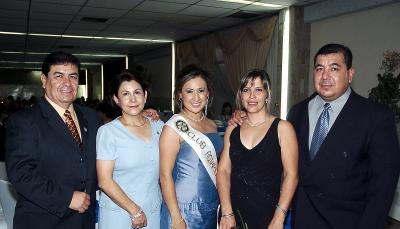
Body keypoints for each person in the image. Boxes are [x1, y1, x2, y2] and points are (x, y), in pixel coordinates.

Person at [287, 43, 400, 229]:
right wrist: (246, 122)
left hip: (347, 222)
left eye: (334, 68)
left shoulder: (375, 117)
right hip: (302, 220)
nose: (325, 76)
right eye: (319, 69)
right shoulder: (297, 112)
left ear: (350, 74)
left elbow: (383, 187)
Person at [6, 51, 100, 228]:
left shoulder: (91, 116)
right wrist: (67, 198)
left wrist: (141, 118)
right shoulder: (24, 121)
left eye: (72, 76)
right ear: (43, 79)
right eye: (58, 76)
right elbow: (21, 174)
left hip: (84, 221)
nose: (67, 83)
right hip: (44, 221)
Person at [217, 69, 298, 229]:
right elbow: (223, 171)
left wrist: (279, 217)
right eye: (246, 90)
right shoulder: (233, 128)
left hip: (268, 216)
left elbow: (292, 175)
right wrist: (227, 212)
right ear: (241, 95)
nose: (252, 96)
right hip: (233, 214)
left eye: (258, 90)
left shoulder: (283, 128)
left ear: (267, 94)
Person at [96, 71, 163, 229]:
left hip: (152, 211)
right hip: (119, 213)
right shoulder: (108, 132)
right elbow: (104, 181)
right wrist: (135, 210)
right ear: (116, 99)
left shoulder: (159, 126)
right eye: (125, 94)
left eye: (137, 92)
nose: (132, 99)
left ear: (145, 96)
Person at [159, 66, 223, 229]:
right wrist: (176, 216)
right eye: (189, 91)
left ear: (208, 94)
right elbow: (164, 175)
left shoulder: (212, 125)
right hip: (184, 209)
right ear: (180, 95)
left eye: (201, 90)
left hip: (211, 205)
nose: (196, 97)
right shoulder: (172, 128)